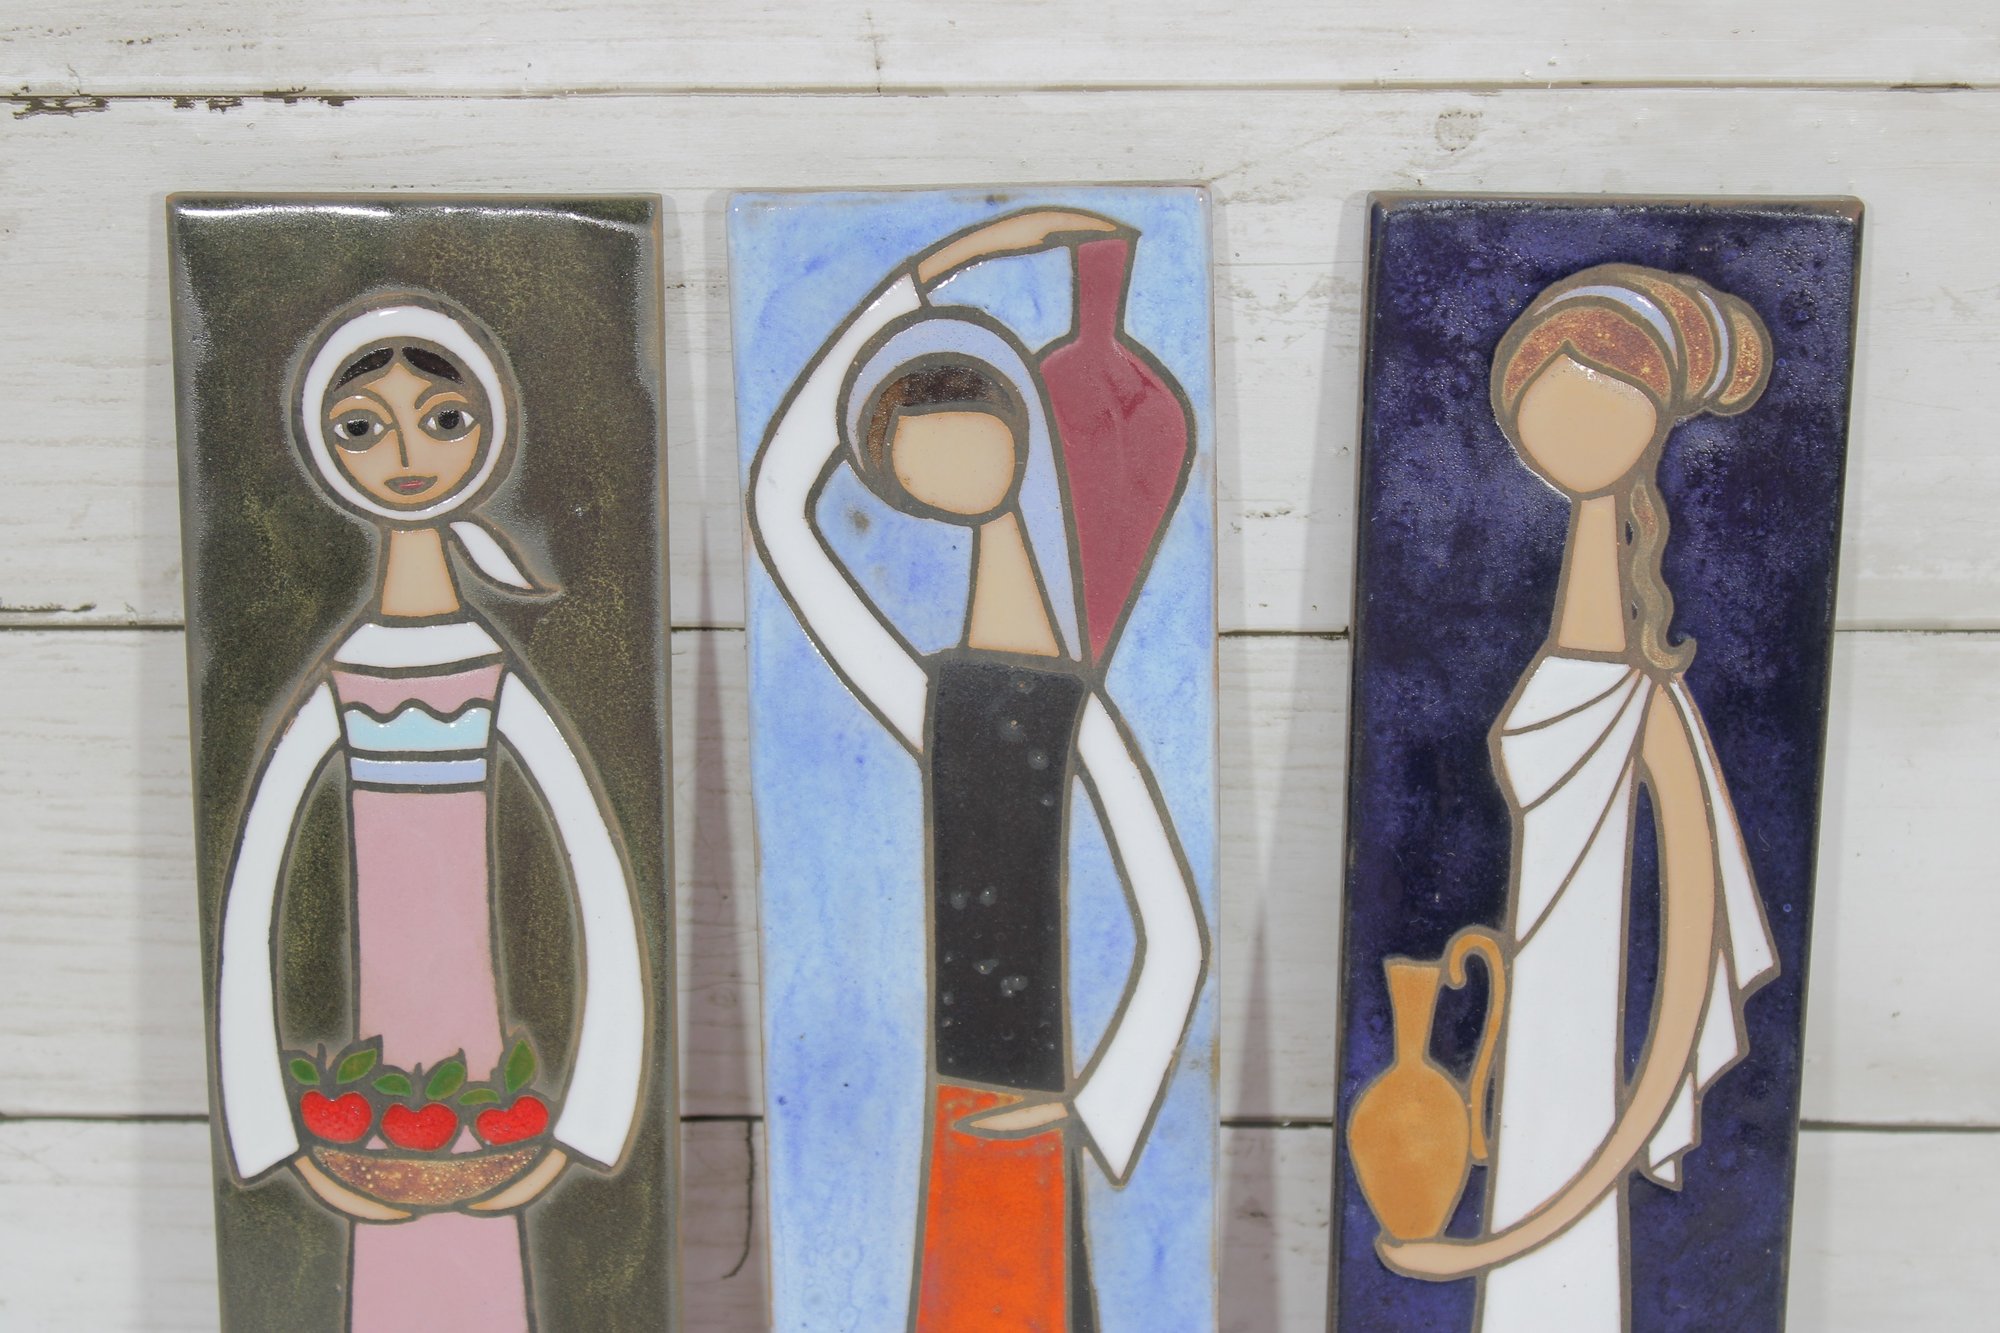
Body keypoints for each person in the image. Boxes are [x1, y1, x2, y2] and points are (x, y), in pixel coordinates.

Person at [748, 210, 1208, 1331]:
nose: (953, 464)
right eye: (918, 459)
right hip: (960, 1093)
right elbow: (776, 505)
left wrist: (1091, 1104)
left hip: (1027, 1097)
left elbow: (1178, 931)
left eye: (970, 432)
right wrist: (933, 271)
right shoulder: (927, 701)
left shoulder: (1080, 712)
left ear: (1021, 433)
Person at [212, 294, 647, 1332]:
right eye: (363, 426)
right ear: (327, 455)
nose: (406, 454)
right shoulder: (341, 677)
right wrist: (280, 1138)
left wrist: (582, 1127)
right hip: (372, 1098)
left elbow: (600, 880)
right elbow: (250, 894)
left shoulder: (490, 671)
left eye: (443, 419)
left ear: (485, 436)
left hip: (487, 1094)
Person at [1377, 264, 1781, 1330]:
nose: (1564, 427)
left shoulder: (1654, 708)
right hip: (1526, 1056)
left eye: (1598, 397)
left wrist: (1506, 1237)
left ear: (1652, 422)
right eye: (1541, 401)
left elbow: (1679, 996)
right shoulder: (1561, 668)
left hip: (1574, 1092)